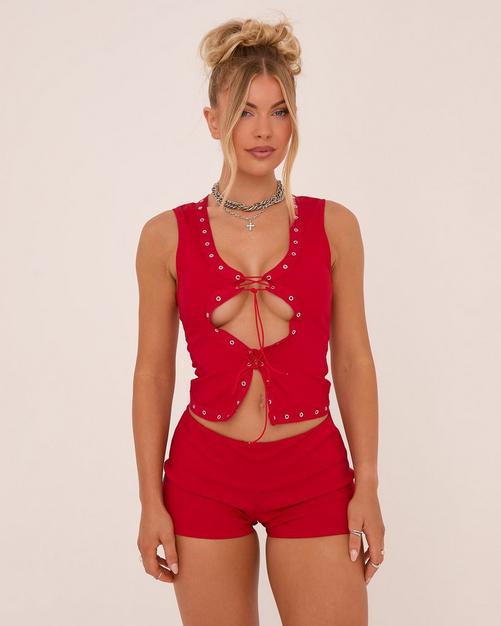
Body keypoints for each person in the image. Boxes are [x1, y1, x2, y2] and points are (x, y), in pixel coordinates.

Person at [133, 15, 385, 626]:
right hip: (203, 474)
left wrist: (368, 484)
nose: (264, 129)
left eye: (279, 111)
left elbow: (353, 359)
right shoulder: (165, 236)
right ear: (212, 120)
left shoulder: (335, 226)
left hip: (313, 472)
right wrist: (149, 500)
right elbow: (152, 373)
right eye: (245, 111)